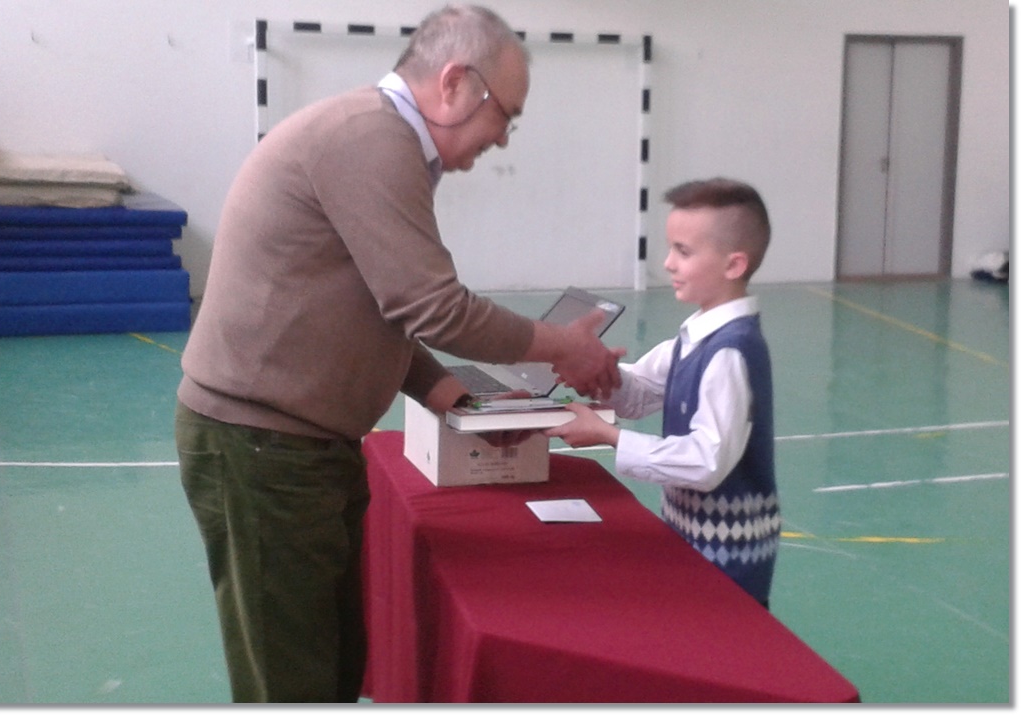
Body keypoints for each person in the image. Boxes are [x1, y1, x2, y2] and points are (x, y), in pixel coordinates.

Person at [174, 4, 623, 703]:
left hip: (299, 447)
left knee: (333, 664)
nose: (502, 138)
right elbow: (435, 307)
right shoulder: (370, 139)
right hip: (262, 447)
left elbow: (378, 310)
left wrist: (461, 401)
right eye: (505, 115)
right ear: (455, 83)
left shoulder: (380, 140)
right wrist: (566, 347)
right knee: (291, 682)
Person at [546, 177, 780, 608]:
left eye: (683, 252)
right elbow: (640, 391)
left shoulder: (731, 351)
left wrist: (609, 436)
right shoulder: (695, 337)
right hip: (690, 541)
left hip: (728, 560)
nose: (668, 263)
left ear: (733, 265)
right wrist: (597, 373)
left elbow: (706, 461)